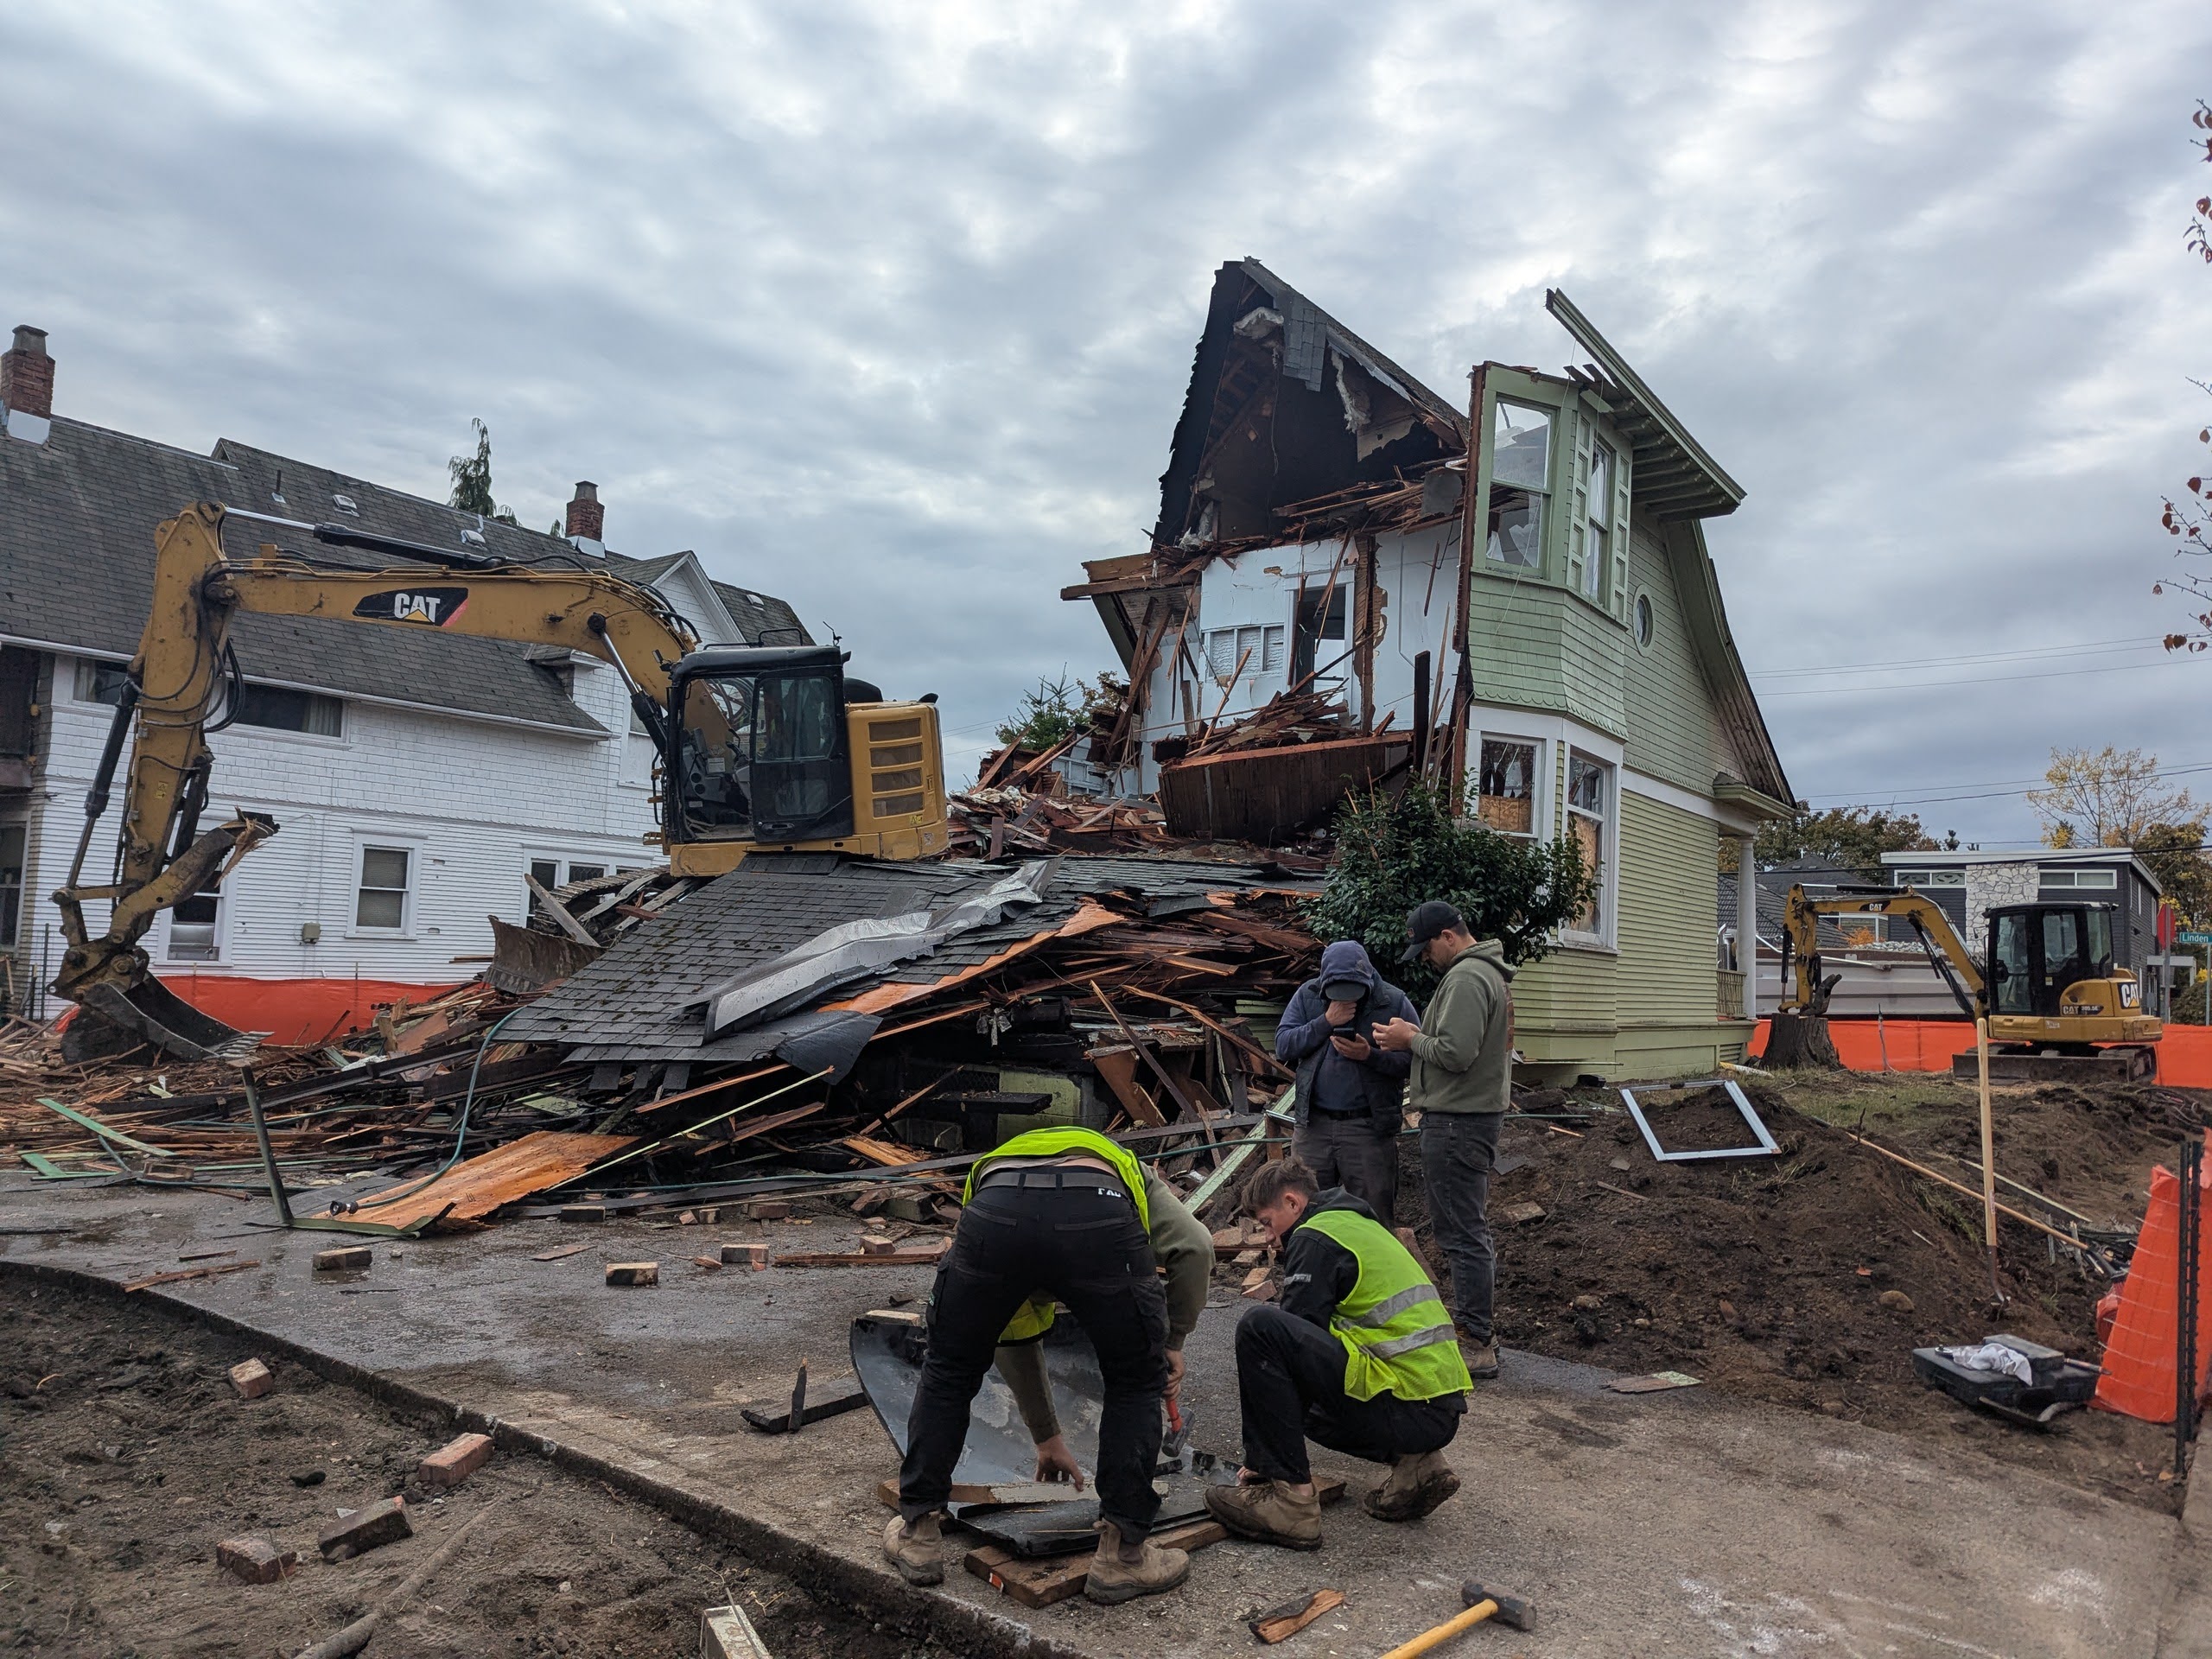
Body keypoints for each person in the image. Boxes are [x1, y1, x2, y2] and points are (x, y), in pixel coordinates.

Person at [883, 1125, 1214, 1605]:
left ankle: (917, 1537)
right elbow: (1198, 1248)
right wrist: (1172, 1340)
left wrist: (1046, 1436)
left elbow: (1007, 1331)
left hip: (997, 1218)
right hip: (1096, 1212)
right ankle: (1123, 1558)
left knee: (949, 1371)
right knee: (1135, 1381)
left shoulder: (994, 1173)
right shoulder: (1129, 1171)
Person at [1202, 1157, 1470, 1548]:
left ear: (1293, 1203)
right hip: (1435, 1410)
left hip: (1409, 1405)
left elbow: (1290, 1346)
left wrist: (1266, 1460)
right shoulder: (1358, 1226)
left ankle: (1291, 1502)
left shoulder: (1314, 1237)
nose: (1267, 1238)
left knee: (1260, 1328)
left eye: (1265, 1222)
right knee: (1299, 1408)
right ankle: (1418, 1465)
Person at [1374, 900, 1516, 1380]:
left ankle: (1476, 1339)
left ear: (1448, 936)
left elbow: (1455, 1054)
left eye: (1427, 947)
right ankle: (1477, 1331)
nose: (1426, 958)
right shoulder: (1484, 974)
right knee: (1465, 1229)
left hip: (1457, 1121)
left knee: (1461, 1232)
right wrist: (1419, 1033)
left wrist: (1407, 1040)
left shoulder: (1467, 978)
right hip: (1468, 1118)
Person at [1274, 939, 1419, 1224]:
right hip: (1314, 1126)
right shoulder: (1308, 996)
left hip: (1368, 1128)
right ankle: (1313, 1267)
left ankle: (1372, 1268)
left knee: (1373, 1213)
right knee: (1306, 1210)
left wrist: (1370, 1056)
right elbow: (1283, 1045)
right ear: (1324, 979)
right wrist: (1326, 1021)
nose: (1348, 999)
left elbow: (1416, 1061)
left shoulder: (1392, 1001)